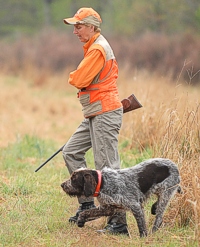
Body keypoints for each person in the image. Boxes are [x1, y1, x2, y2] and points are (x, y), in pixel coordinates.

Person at [62, 7, 128, 236]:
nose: (75, 31)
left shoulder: (98, 49)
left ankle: (119, 224)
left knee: (108, 169)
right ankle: (87, 203)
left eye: (78, 26)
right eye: (74, 27)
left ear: (91, 27)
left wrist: (73, 75)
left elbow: (78, 78)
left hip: (104, 113)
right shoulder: (92, 47)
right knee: (71, 152)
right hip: (94, 112)